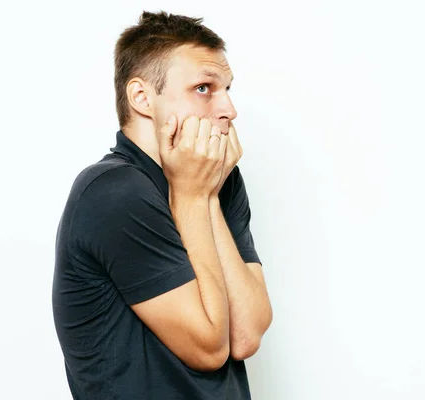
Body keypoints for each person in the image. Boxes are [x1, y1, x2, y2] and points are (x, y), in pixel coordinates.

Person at [52, 10, 272, 399]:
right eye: (204, 88)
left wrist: (205, 195)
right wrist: (191, 196)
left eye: (227, 89)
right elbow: (209, 348)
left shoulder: (218, 181)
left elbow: (246, 334)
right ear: (142, 98)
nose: (228, 110)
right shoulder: (113, 193)